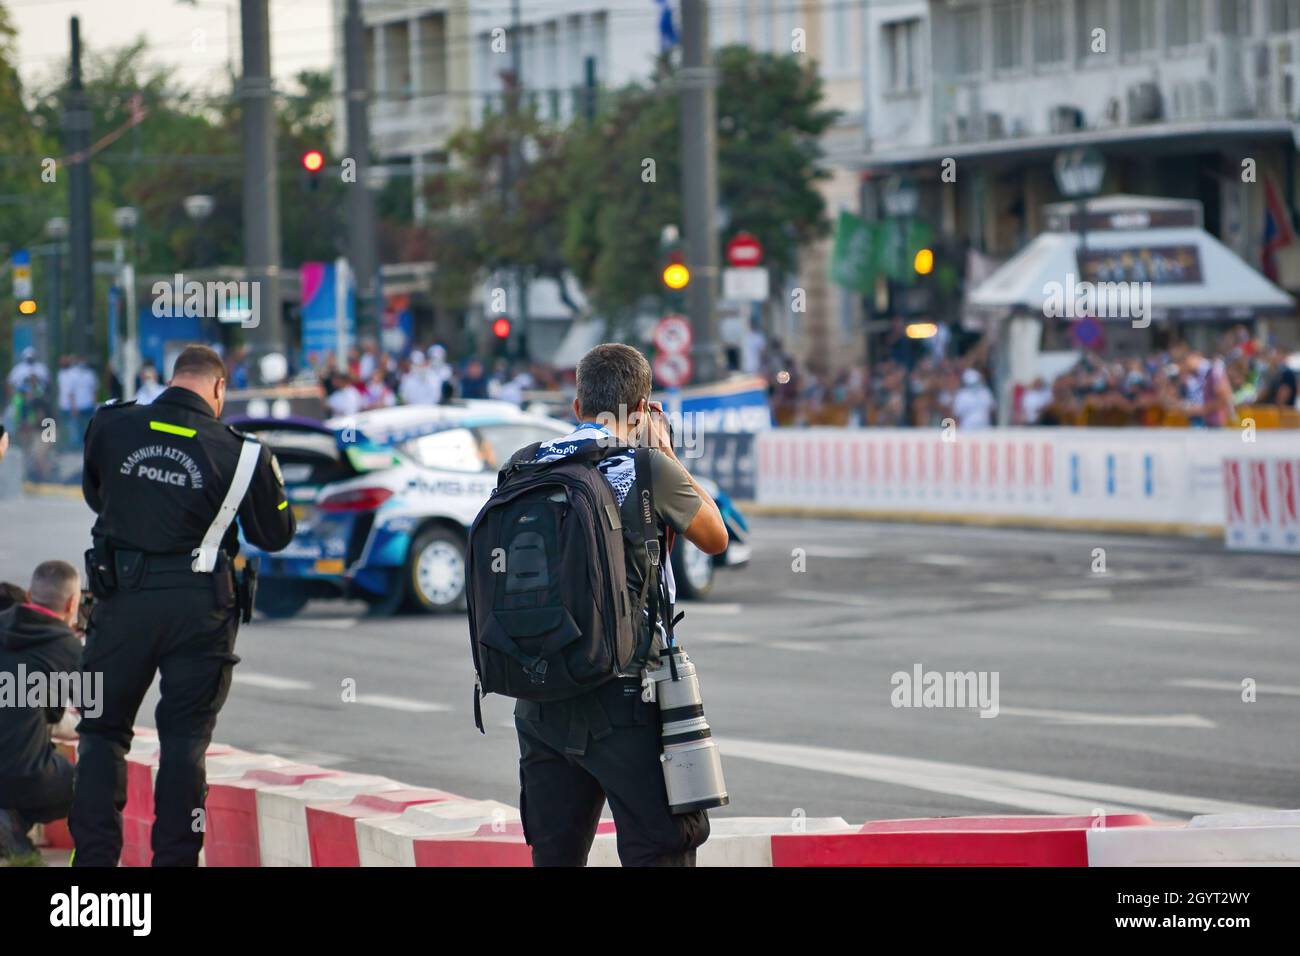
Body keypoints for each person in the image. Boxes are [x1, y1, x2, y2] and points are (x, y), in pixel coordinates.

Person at [71, 344, 296, 866]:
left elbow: (96, 494)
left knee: (102, 732)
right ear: (219, 388)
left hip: (120, 600)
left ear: (173, 379)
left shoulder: (111, 425)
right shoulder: (243, 454)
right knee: (184, 742)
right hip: (201, 611)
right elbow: (277, 532)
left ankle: (94, 870)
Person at [506, 343, 728, 867]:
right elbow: (715, 538)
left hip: (539, 695)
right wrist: (667, 452)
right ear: (645, 407)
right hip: (625, 697)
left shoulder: (526, 465)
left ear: (577, 406)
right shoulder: (649, 469)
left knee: (555, 857)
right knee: (660, 851)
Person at [0, 561, 84, 860]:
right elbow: (100, 716)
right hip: (23, 776)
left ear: (30, 594)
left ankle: (8, 822)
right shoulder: (68, 648)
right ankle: (14, 822)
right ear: (73, 602)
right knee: (96, 781)